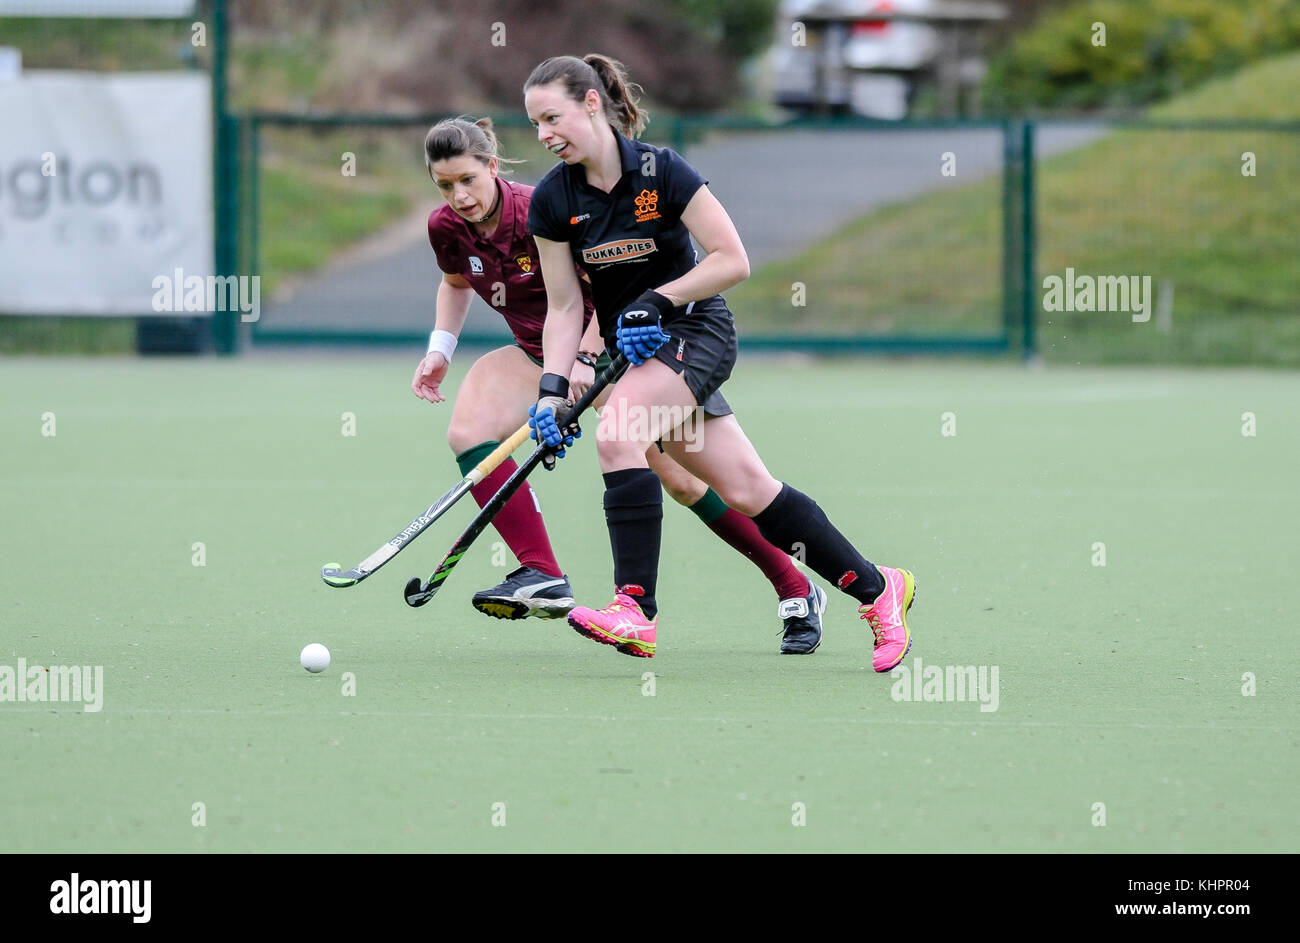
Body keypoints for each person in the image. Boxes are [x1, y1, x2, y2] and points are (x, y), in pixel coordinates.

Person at [523, 55, 917, 668]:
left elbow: (732, 259)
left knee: (620, 431)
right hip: (642, 356)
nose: (544, 135)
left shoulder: (662, 170)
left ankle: (634, 610)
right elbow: (565, 305)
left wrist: (658, 299)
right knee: (748, 489)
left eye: (552, 117)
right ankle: (876, 588)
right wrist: (551, 391)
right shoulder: (552, 199)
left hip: (697, 330)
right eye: (535, 124)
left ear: (592, 104)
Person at [414, 116, 823, 649]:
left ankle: (794, 582)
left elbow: (595, 289)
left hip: (617, 352)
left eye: (467, 179)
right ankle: (541, 573)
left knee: (686, 481)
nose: (459, 196)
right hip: (537, 356)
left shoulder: (541, 207)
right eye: (445, 185)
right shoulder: (445, 227)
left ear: (492, 165)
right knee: (468, 432)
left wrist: (583, 360)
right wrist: (440, 350)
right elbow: (454, 283)